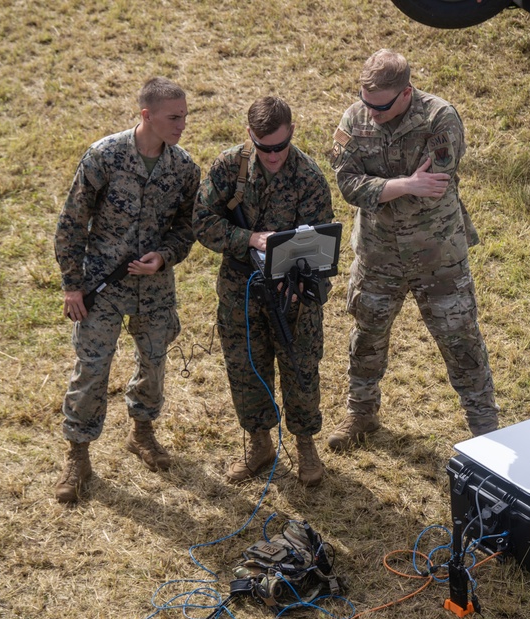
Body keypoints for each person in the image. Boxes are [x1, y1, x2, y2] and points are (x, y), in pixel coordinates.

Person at [327, 49, 498, 449]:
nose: (371, 113)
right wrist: (404, 184)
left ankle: (485, 429)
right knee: (367, 336)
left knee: (460, 340)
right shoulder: (356, 116)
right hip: (377, 254)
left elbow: (432, 191)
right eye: (366, 102)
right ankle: (361, 412)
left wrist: (384, 188)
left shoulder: (440, 119)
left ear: (405, 93)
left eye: (380, 106)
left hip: (436, 255)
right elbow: (347, 183)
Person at [53, 76, 199, 503]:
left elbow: (187, 225)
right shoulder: (105, 156)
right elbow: (71, 224)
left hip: (154, 287)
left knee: (154, 363)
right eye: (174, 117)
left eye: (185, 115)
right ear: (146, 115)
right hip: (102, 286)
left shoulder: (184, 168)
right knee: (93, 367)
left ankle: (142, 432)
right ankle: (78, 454)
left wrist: (165, 255)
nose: (181, 124)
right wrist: (72, 286)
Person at [193, 96, 334, 487]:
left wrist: (307, 290)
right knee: (245, 368)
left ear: (292, 132)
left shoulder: (308, 177)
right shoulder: (228, 167)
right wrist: (249, 238)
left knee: (300, 368)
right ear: (249, 135)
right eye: (263, 146)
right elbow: (202, 221)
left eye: (280, 146)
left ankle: (305, 445)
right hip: (241, 287)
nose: (272, 155)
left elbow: (323, 247)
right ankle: (259, 444)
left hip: (293, 291)